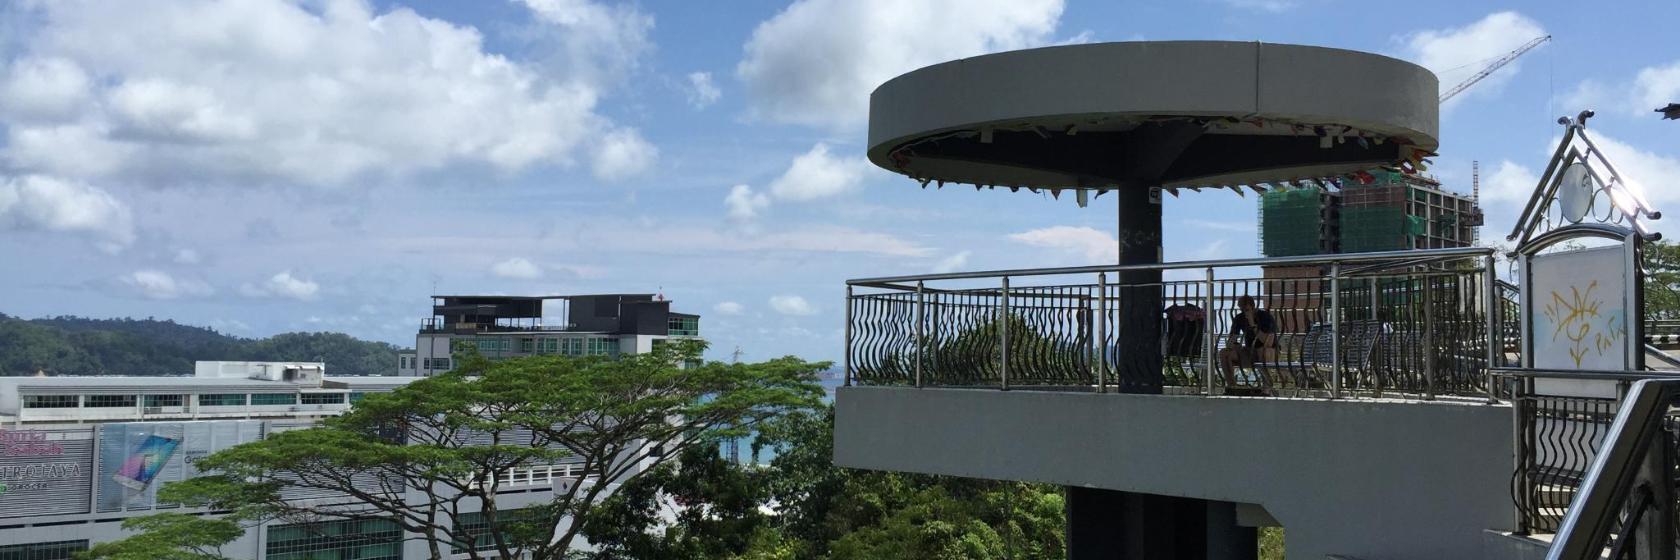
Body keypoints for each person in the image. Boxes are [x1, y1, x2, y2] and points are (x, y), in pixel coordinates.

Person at [1218, 295, 1277, 389]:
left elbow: (1267, 342)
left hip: (1268, 351)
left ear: (1253, 307)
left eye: (1246, 309)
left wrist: (1252, 324)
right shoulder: (1240, 318)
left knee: (1262, 350)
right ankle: (1232, 386)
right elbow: (1232, 338)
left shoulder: (1265, 317)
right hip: (1249, 351)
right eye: (1241, 309)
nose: (1244, 312)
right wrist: (1234, 344)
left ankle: (1266, 388)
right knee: (1224, 353)